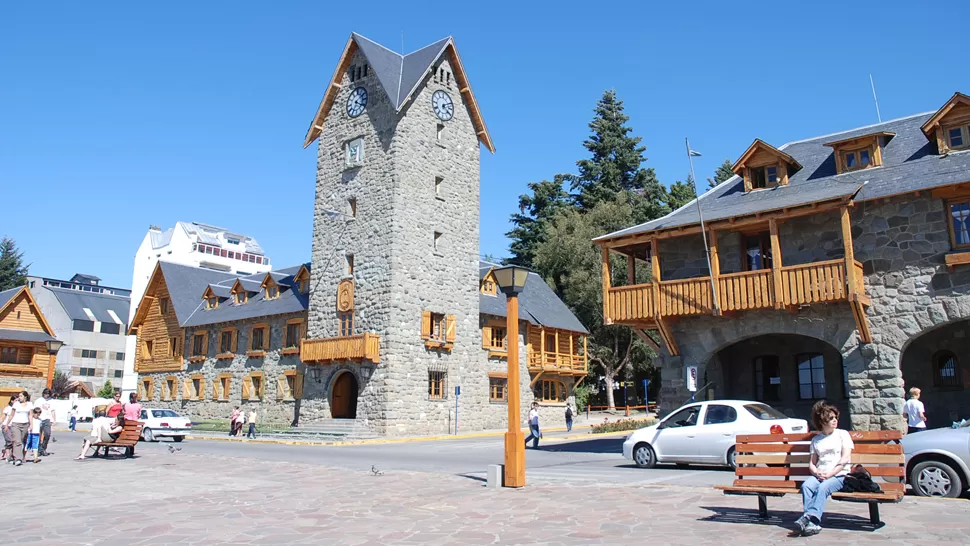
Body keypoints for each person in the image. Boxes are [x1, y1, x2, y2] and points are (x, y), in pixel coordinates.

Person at [794, 401, 854, 537]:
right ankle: (811, 523)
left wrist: (830, 474)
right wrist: (816, 472)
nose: (835, 421)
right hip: (819, 474)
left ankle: (810, 519)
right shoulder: (816, 440)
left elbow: (845, 458)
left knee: (822, 488)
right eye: (831, 418)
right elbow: (812, 463)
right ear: (822, 421)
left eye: (835, 417)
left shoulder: (842, 434)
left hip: (839, 475)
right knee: (807, 486)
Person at [4, 391, 33, 466]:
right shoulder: (16, 404)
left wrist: (31, 425)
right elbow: (11, 415)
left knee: (21, 441)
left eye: (21, 396)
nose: (19, 397)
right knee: (17, 441)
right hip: (15, 424)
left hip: (25, 424)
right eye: (19, 396)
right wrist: (7, 424)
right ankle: (18, 459)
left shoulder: (29, 404)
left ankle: (10, 455)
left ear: (25, 397)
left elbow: (30, 415)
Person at [37, 388, 55, 456]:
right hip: (40, 419)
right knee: (38, 435)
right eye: (45, 394)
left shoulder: (52, 401)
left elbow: (53, 410)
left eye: (48, 394)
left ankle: (44, 448)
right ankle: (38, 449)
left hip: (48, 419)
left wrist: (53, 419)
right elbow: (35, 410)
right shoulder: (39, 400)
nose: (46, 395)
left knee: (47, 434)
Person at [2, 396, 16, 461]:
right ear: (12, 401)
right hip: (6, 426)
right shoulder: (7, 408)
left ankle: (10, 454)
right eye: (15, 400)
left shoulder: (18, 408)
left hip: (15, 426)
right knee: (9, 441)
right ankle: (8, 456)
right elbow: (3, 417)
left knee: (14, 441)